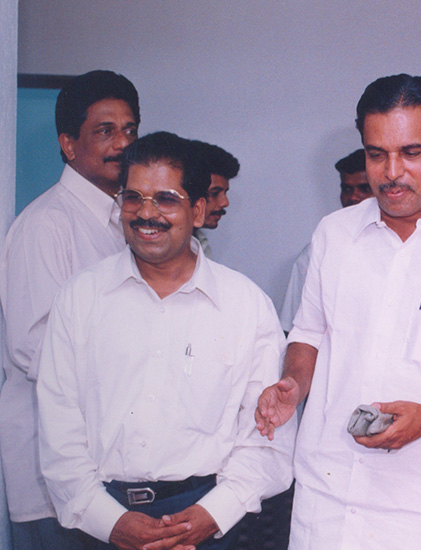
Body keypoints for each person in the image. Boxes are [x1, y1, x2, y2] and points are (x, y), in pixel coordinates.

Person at [256, 74, 421, 549]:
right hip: (328, 504)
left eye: (411, 153)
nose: (391, 172)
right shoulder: (334, 234)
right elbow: (308, 333)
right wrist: (293, 385)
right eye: (376, 154)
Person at [36, 131, 295, 550]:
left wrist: (211, 515)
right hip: (102, 521)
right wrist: (112, 523)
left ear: (198, 210)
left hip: (208, 520)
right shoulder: (81, 298)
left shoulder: (246, 306)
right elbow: (58, 430)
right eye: (133, 198)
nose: (145, 213)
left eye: (166, 199)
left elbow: (267, 438)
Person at [0, 69, 140, 550]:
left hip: (107, 470)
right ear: (68, 145)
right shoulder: (46, 224)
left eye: (130, 129)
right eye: (105, 131)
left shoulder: (126, 221)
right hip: (52, 475)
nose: (122, 144)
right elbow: (34, 347)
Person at [279, 148, 373, 333]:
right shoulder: (317, 251)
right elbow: (291, 328)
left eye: (364, 189)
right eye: (347, 189)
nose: (353, 197)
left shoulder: (406, 246)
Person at [192, 140, 240, 257]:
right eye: (214, 193)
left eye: (225, 193)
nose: (225, 203)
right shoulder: (161, 250)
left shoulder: (201, 243)